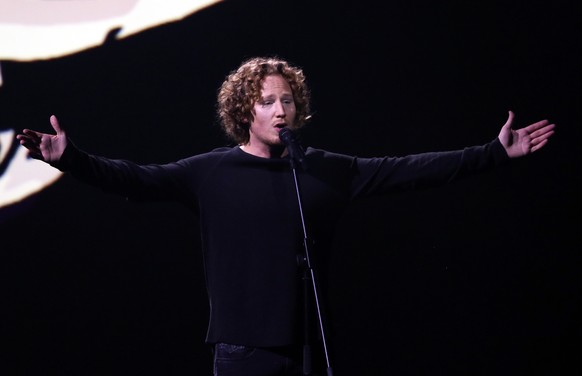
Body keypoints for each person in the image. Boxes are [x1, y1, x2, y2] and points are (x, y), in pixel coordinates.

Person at [16, 56, 555, 376]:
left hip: (311, 346)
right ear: (242, 111)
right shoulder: (210, 173)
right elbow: (135, 180)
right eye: (268, 101)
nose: (281, 110)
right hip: (243, 350)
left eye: (289, 100)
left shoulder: (321, 170)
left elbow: (407, 169)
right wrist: (71, 160)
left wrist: (491, 152)